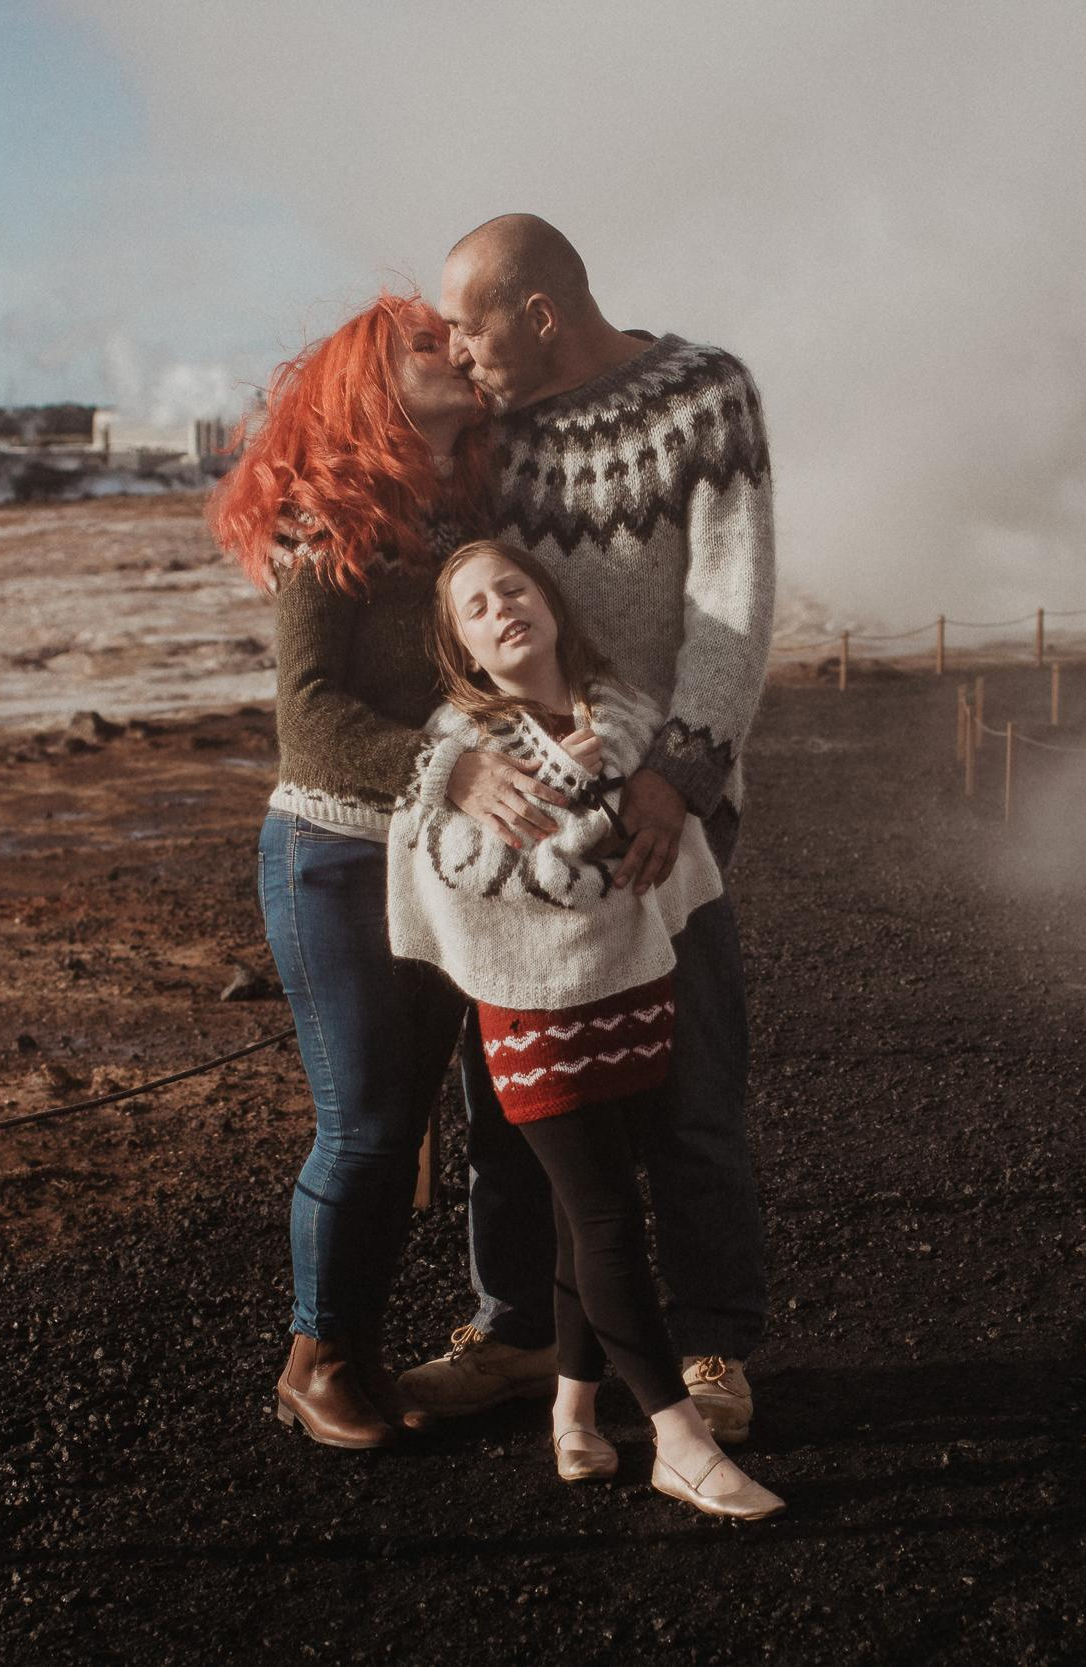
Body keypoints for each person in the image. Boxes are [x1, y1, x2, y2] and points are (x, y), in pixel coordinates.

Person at [398, 215, 777, 1444]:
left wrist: (681, 772)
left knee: (691, 1091)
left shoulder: (702, 398)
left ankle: (713, 1343)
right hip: (519, 834)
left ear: (540, 312)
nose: (456, 348)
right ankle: (518, 1331)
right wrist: (453, 776)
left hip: (668, 816)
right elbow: (457, 611)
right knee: (516, 1103)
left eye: (470, 322)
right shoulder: (487, 436)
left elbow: (730, 604)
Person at [207, 292, 576, 1450]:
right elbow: (309, 716)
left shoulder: (463, 504)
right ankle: (320, 1356)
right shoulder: (326, 517)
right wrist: (455, 770)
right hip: (336, 852)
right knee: (368, 1123)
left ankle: (515, 1331)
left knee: (503, 1104)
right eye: (430, 343)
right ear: (371, 380)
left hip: (445, 853)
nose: (458, 352)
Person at [387, 537, 782, 1519]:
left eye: (513, 587)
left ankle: (572, 1406)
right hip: (530, 1007)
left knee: (585, 1210)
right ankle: (676, 1440)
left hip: (631, 988)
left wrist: (609, 783)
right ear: (465, 649)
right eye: (475, 607)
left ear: (552, 603)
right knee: (607, 1214)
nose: (501, 609)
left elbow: (673, 839)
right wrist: (570, 801)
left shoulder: (628, 714)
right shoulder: (460, 746)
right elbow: (453, 871)